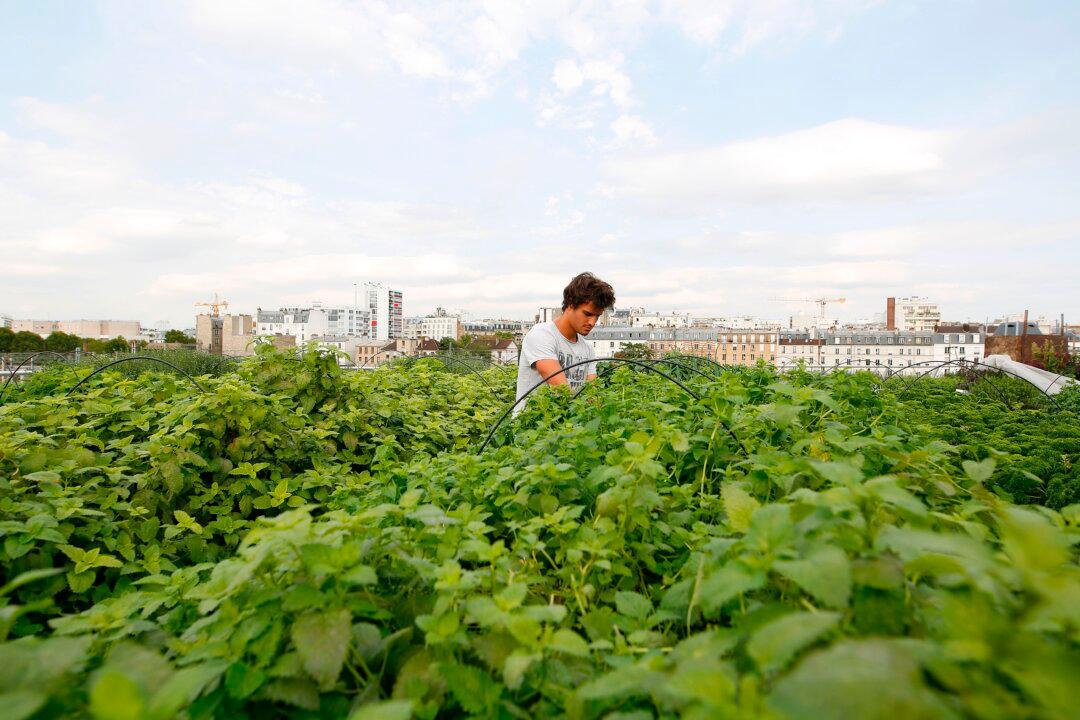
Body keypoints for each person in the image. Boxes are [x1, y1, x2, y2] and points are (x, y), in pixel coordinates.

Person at [515, 272, 615, 413]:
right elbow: (560, 390)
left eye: (597, 316)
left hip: (568, 429)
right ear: (569, 305)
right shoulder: (542, 335)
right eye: (587, 314)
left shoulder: (587, 349)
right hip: (531, 428)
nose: (592, 322)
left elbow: (593, 395)